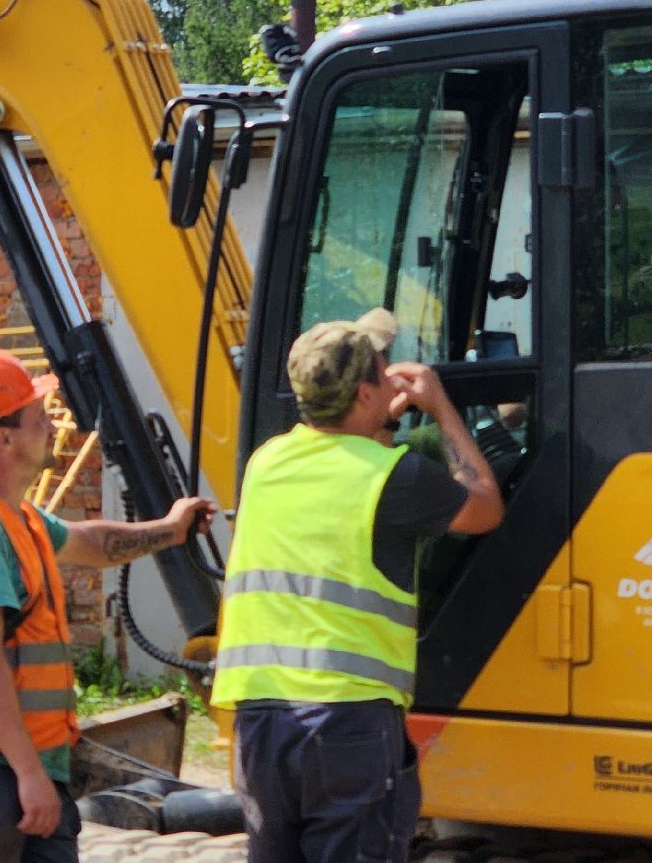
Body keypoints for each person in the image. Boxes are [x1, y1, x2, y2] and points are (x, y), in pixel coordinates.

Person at [212, 308, 506, 862]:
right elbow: (485, 507)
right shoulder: (394, 476)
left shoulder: (264, 464)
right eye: (381, 370)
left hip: (260, 724)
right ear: (367, 395)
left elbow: (336, 474)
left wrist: (378, 422)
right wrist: (441, 407)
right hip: (346, 722)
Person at [0, 346, 215, 863]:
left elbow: (90, 543)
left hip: (14, 764)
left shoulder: (15, 516)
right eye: (38, 417)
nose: (52, 426)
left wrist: (169, 529)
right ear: (3, 437)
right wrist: (28, 774)